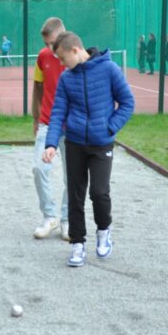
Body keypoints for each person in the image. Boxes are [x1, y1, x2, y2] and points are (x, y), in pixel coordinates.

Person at [43, 31, 134, 267]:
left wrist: (109, 127)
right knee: (75, 195)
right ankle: (77, 244)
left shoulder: (109, 69)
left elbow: (127, 102)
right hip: (74, 143)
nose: (62, 64)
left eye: (63, 59)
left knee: (99, 192)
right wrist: (51, 143)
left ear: (75, 50)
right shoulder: (66, 78)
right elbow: (58, 113)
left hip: (101, 143)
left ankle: (103, 232)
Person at [31, 17, 69, 241]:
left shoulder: (75, 56)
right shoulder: (43, 56)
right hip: (47, 122)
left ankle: (66, 219)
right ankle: (50, 216)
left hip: (72, 126)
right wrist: (35, 117)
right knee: (39, 168)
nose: (48, 49)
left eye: (52, 43)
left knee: (72, 176)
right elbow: (37, 86)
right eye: (45, 43)